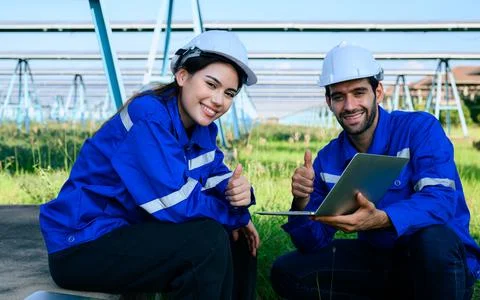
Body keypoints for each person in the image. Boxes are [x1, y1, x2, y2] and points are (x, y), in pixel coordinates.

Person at [39, 30, 260, 299]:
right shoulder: (149, 116)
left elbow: (215, 176)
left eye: (229, 93)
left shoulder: (202, 130)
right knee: (207, 241)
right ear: (182, 76)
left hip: (126, 230)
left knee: (239, 242)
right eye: (211, 84)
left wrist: (239, 195)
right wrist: (236, 215)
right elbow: (176, 203)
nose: (218, 100)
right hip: (82, 243)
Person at [270, 41, 480, 299]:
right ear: (328, 101)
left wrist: (383, 218)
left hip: (438, 266)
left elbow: (441, 201)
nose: (349, 106)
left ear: (378, 92)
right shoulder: (328, 160)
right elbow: (312, 243)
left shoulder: (419, 130)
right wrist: (301, 201)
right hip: (382, 261)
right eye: (338, 96)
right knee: (287, 271)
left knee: (434, 240)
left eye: (359, 92)